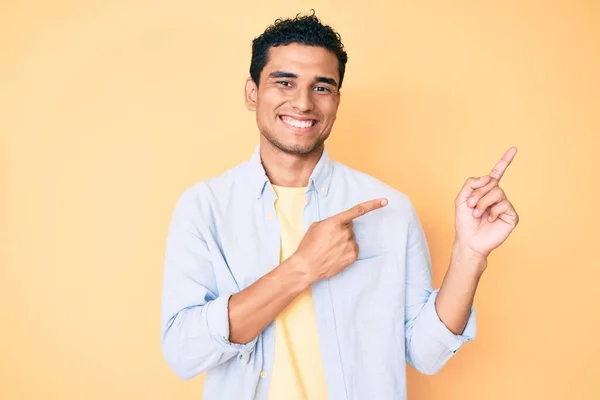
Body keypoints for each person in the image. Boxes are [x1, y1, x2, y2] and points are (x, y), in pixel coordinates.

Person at [160, 11, 519, 400]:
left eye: (322, 87)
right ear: (252, 92)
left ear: (336, 100)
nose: (302, 103)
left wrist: (470, 253)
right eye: (284, 82)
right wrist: (303, 266)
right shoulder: (205, 207)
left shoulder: (390, 209)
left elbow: (426, 354)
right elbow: (184, 351)